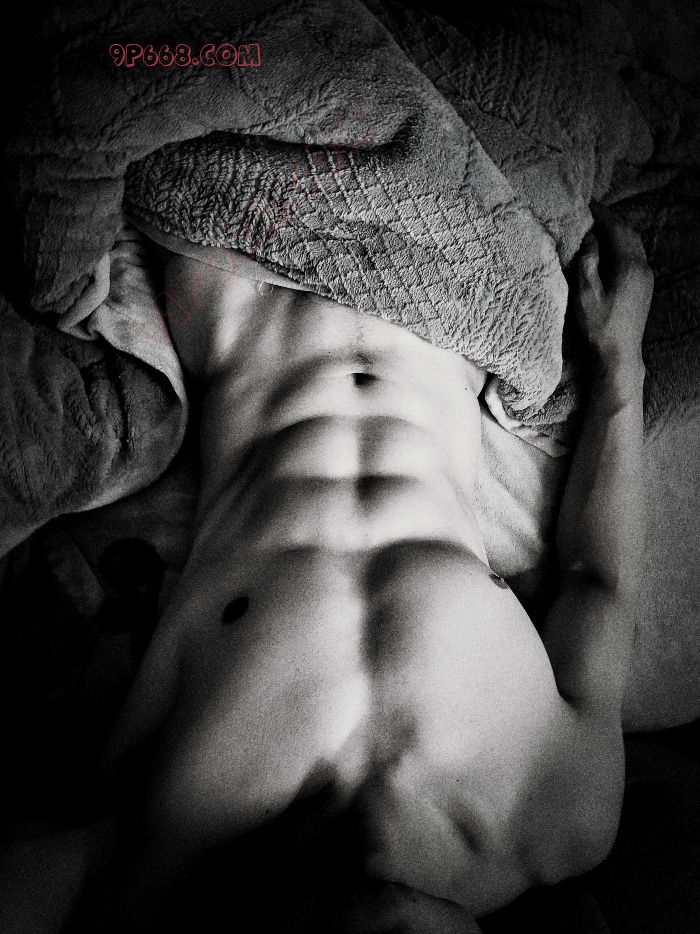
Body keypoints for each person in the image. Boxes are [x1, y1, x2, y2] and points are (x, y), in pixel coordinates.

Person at [78, 209, 653, 933]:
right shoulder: (561, 813)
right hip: (441, 297)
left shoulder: (155, 853)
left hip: (242, 290)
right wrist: (621, 361)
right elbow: (599, 582)